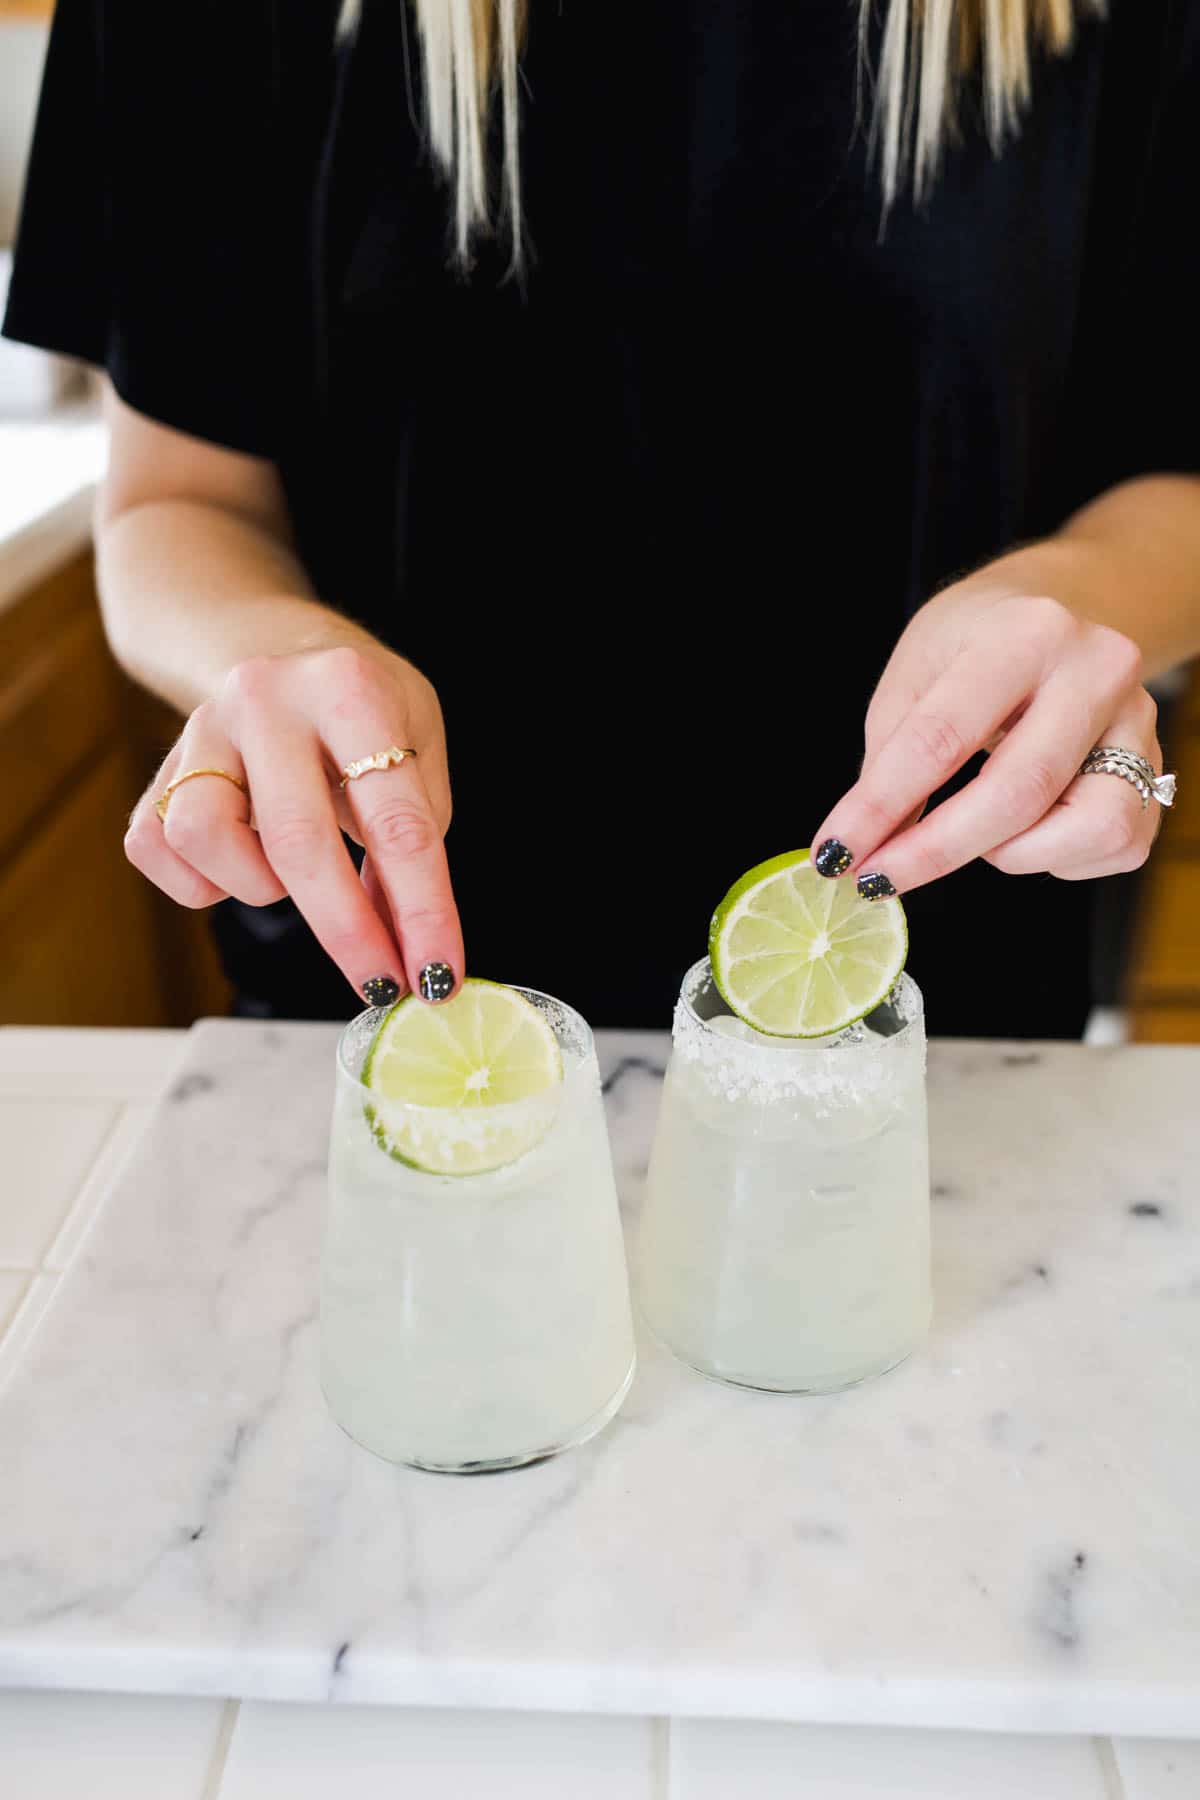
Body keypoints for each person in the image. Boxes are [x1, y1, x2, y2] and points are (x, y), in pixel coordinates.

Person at [4, 0, 1197, 1033]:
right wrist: (274, 652)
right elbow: (179, 497)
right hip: (402, 1009)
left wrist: (1076, 600)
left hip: (924, 1006)